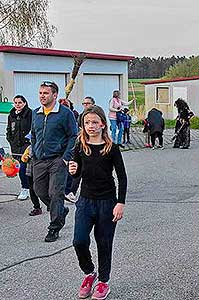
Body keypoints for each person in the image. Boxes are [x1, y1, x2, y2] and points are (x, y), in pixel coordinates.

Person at [69, 105, 127, 300]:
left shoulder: (111, 148)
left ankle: (103, 281)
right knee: (79, 241)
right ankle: (89, 272)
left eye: (95, 122)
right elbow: (76, 173)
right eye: (87, 123)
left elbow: (122, 177)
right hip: (85, 201)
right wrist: (73, 170)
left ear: (103, 123)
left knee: (104, 243)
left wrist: (120, 203)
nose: (91, 126)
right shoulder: (79, 145)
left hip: (107, 202)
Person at [31, 81, 78, 242]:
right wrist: (34, 153)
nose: (42, 96)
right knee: (40, 191)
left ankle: (54, 227)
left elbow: (74, 136)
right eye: (40, 93)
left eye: (46, 93)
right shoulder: (35, 113)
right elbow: (34, 135)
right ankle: (60, 211)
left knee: (55, 193)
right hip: (39, 160)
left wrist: (66, 158)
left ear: (55, 95)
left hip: (58, 160)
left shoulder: (65, 114)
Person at [66, 96, 96, 203]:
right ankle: (72, 192)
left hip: (93, 145)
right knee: (78, 168)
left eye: (88, 103)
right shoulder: (81, 116)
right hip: (81, 144)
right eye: (84, 103)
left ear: (93, 104)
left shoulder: (97, 115)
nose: (85, 105)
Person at [6, 95, 32, 200]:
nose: (17, 105)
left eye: (20, 103)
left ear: (24, 103)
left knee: (23, 168)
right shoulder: (11, 115)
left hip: (26, 146)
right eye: (16, 103)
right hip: (16, 147)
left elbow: (33, 128)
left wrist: (30, 141)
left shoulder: (30, 114)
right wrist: (10, 140)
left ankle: (25, 188)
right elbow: (9, 129)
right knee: (20, 169)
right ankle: (29, 187)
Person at [21, 141, 43, 216]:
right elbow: (24, 159)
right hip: (30, 171)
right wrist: (25, 157)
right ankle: (37, 207)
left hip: (40, 171)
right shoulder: (29, 148)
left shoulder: (44, 146)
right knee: (32, 189)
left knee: (42, 189)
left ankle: (51, 204)